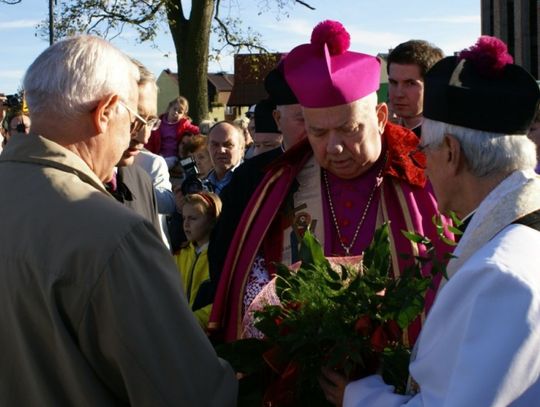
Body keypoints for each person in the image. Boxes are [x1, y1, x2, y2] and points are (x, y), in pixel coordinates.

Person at [0, 35, 237, 405]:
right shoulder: (111, 234)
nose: (136, 135)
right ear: (106, 111)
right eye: (136, 119)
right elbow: (190, 394)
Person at [325, 36, 540, 407]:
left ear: (452, 153)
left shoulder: (497, 277)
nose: (424, 166)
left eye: (426, 152)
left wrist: (358, 397)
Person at [208, 20, 449, 342]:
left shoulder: (425, 175)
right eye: (318, 132)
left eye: (349, 129)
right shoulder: (278, 182)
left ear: (379, 117)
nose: (334, 147)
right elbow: (250, 278)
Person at [109, 61, 162, 235]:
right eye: (135, 119)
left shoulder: (143, 182)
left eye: (151, 121)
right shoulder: (65, 188)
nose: (144, 137)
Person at [175, 192, 222, 329]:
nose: (186, 224)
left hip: (206, 334)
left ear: (212, 220)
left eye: (193, 218)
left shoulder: (220, 257)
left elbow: (222, 301)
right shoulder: (178, 255)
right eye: (184, 218)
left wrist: (195, 321)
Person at [387, 40, 444, 137]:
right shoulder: (382, 137)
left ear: (431, 86)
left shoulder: (442, 140)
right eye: (393, 82)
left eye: (410, 83)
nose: (398, 94)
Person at [145, 96, 200, 168]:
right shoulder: (159, 122)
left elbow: (196, 130)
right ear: (169, 108)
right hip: (159, 154)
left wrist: (205, 130)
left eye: (180, 112)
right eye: (174, 109)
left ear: (183, 115)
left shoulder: (183, 124)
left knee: (161, 167)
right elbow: (150, 138)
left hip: (172, 156)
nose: (176, 112)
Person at [206, 120, 245, 195]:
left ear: (241, 148)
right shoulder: (201, 184)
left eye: (228, 145)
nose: (221, 150)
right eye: (215, 145)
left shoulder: (252, 180)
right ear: (207, 147)